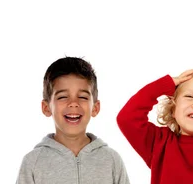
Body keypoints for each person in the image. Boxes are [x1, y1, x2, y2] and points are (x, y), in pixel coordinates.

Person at [16, 56, 129, 184]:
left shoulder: (111, 160)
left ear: (95, 108)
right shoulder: (33, 162)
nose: (73, 103)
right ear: (46, 108)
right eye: (63, 97)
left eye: (82, 97)